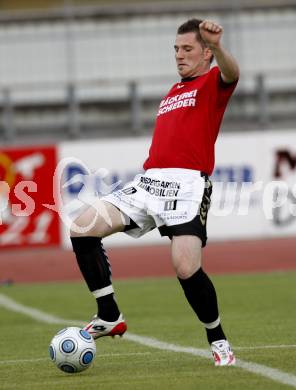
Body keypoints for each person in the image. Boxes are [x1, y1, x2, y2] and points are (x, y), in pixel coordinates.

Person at [70, 18, 239, 366]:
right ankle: (109, 314)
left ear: (206, 53)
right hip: (149, 182)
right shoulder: (174, 91)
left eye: (188, 49)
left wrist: (221, 47)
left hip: (187, 184)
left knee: (185, 266)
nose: (179, 55)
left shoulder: (212, 82)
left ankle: (218, 339)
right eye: (176, 49)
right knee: (83, 226)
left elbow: (232, 74)